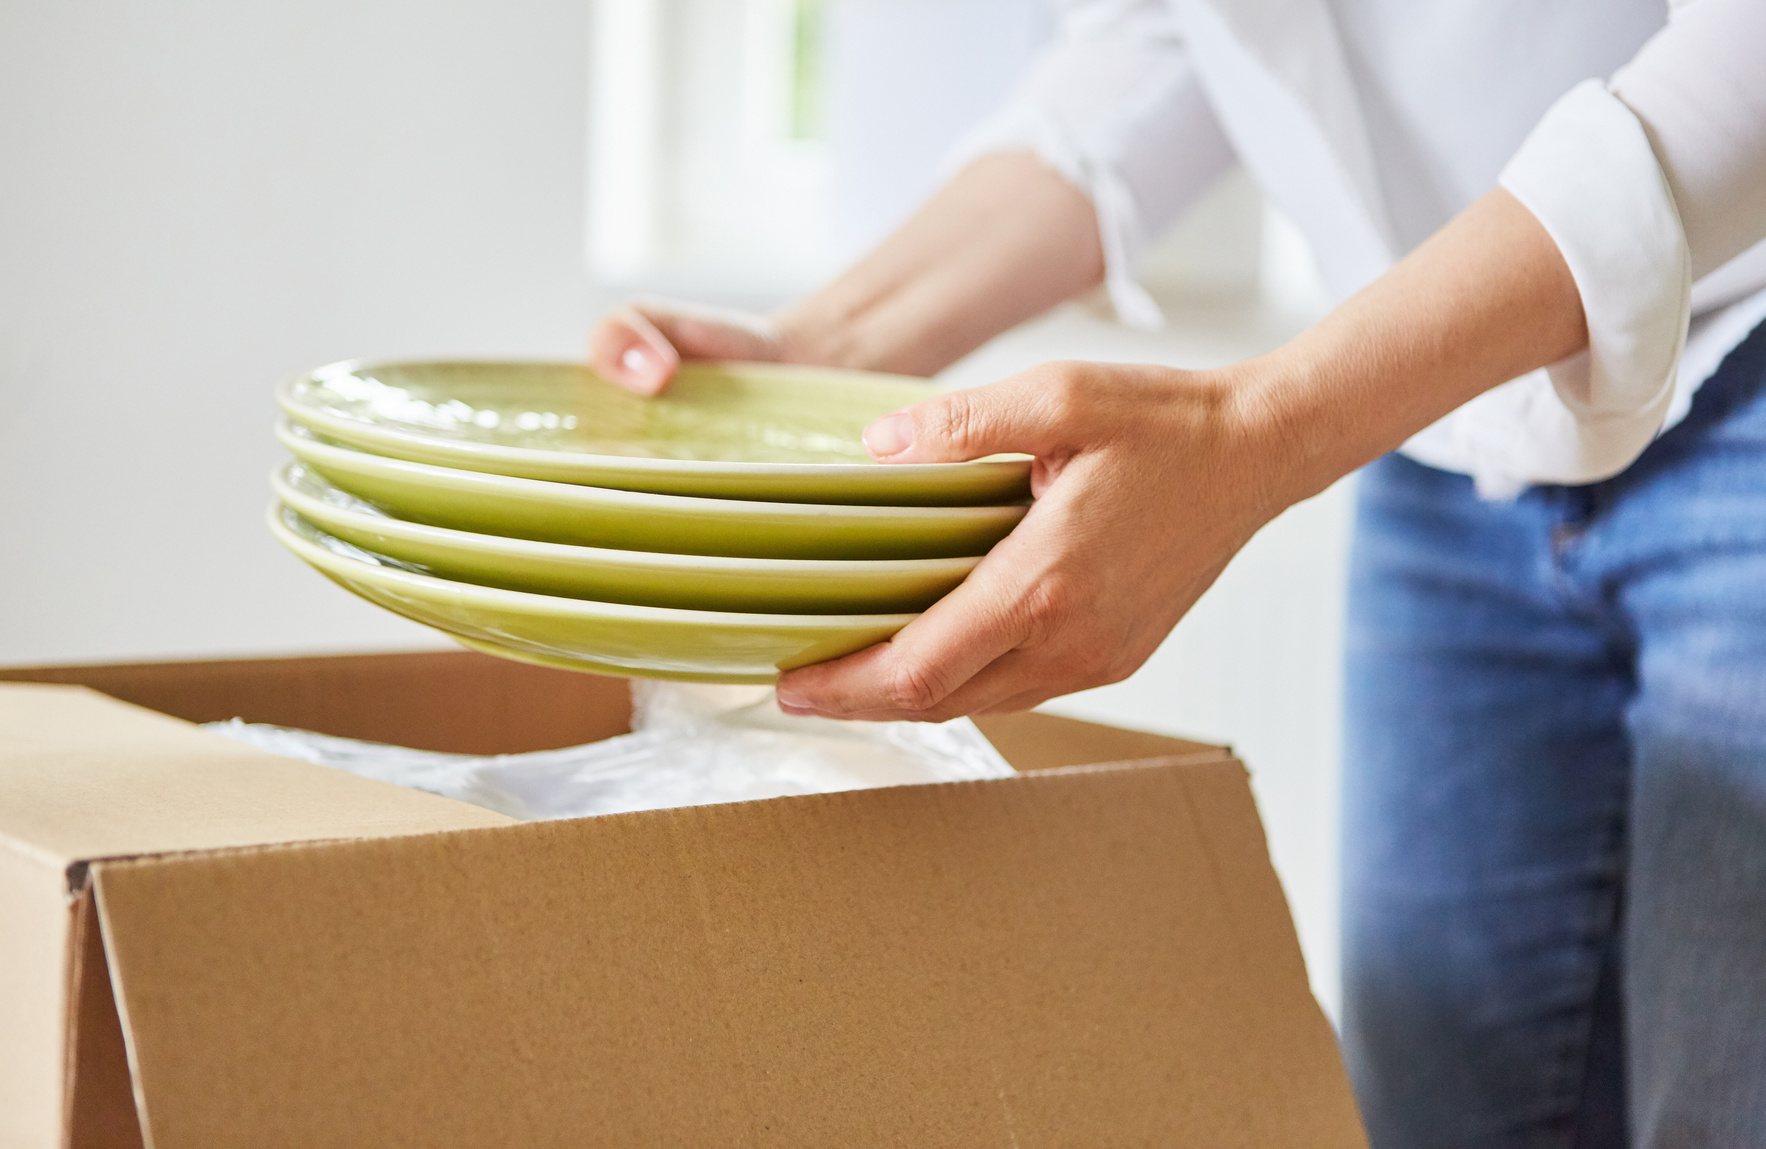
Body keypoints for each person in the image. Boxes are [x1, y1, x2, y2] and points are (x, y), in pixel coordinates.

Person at [589, 0, 1766, 1144]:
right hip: (1451, 418)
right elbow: (1176, 37)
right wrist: (818, 349)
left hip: (1733, 350)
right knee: (1441, 1097)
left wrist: (1255, 429)